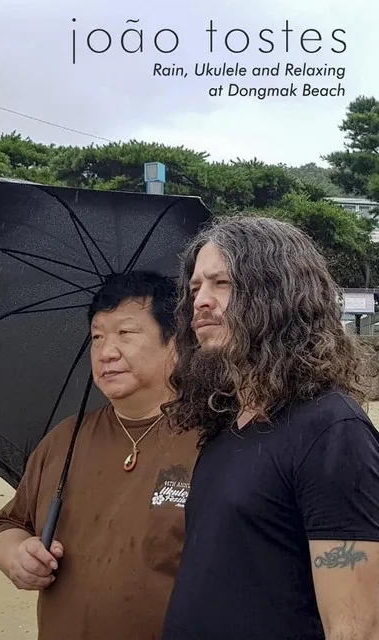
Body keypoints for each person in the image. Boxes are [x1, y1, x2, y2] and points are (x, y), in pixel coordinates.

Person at [160, 216, 379, 640]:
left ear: (276, 293)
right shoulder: (224, 427)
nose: (200, 301)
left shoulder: (332, 431)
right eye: (194, 289)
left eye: (221, 283)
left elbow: (357, 626)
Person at [0, 270, 199, 640]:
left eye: (126, 334)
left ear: (176, 344)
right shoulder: (64, 440)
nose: (106, 352)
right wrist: (18, 556)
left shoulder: (213, 441)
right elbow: (9, 525)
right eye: (97, 336)